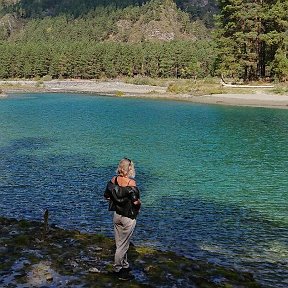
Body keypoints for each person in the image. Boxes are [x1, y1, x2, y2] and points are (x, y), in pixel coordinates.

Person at [104, 158, 141, 280]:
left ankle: (125, 265)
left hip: (117, 216)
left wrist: (117, 199)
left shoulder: (113, 180)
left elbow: (107, 197)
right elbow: (135, 202)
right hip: (128, 217)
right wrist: (139, 203)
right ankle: (118, 269)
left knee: (120, 242)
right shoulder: (131, 183)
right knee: (123, 245)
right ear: (129, 169)